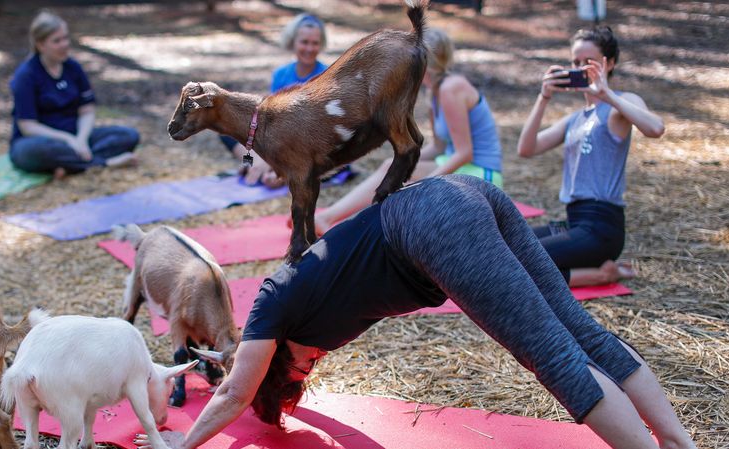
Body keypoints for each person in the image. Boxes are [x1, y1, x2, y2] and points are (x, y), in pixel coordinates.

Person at [135, 175, 696, 449]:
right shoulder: (304, 323)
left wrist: (178, 446)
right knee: (581, 334)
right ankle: (679, 444)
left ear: (278, 364)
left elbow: (233, 392)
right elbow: (295, 404)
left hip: (432, 225)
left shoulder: (269, 307)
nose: (311, 372)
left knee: (553, 353)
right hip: (463, 196)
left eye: (296, 377)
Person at [314, 28, 503, 235]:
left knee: (403, 182)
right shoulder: (435, 92)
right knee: (392, 166)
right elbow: (440, 146)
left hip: (483, 175)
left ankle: (337, 223)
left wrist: (424, 182)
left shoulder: (452, 88)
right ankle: (328, 218)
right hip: (461, 167)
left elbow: (464, 152)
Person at [517, 26, 665, 287]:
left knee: (523, 262)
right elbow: (526, 149)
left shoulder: (621, 102)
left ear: (610, 64)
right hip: (574, 223)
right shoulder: (574, 119)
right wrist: (544, 97)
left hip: (601, 227)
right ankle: (593, 268)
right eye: (575, 62)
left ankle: (601, 275)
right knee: (507, 246)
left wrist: (605, 93)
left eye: (589, 62)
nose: (580, 68)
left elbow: (655, 128)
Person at [9, 11, 139, 179]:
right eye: (57, 41)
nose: (64, 44)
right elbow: (28, 127)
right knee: (30, 152)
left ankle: (68, 166)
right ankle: (104, 163)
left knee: (129, 136)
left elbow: (87, 110)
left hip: (77, 135)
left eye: (65, 38)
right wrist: (69, 140)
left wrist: (81, 139)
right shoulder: (26, 75)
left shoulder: (73, 68)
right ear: (41, 45)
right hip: (42, 141)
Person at [220, 13, 330, 188]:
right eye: (304, 42)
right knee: (228, 131)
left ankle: (271, 169)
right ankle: (260, 164)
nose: (309, 48)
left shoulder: (327, 76)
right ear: (293, 42)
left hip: (307, 143)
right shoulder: (281, 74)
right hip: (279, 138)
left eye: (315, 43)